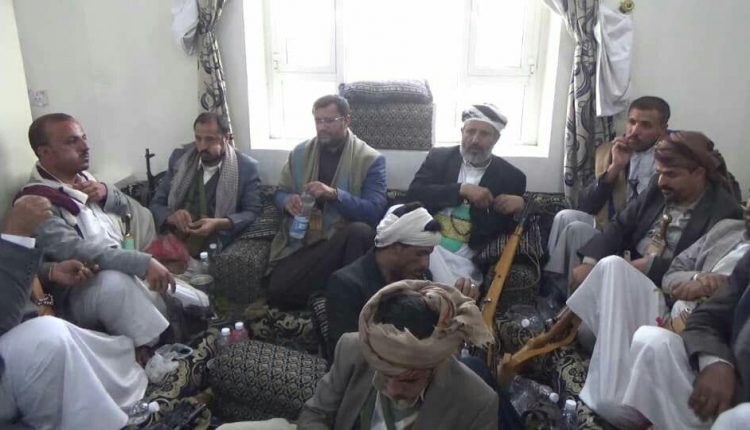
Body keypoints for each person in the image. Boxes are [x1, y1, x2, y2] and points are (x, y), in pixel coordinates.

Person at [564, 199, 750, 429]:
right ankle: (607, 381)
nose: (748, 205)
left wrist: (720, 360)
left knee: (649, 340)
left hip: (724, 365)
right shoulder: (728, 229)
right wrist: (698, 279)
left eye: (671, 177)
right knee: (612, 266)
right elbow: (673, 272)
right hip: (681, 314)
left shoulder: (719, 205)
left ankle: (621, 398)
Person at [17, 113, 171, 359]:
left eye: (84, 138)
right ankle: (158, 350)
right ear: (45, 152)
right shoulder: (37, 202)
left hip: (119, 261)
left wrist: (107, 192)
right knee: (114, 283)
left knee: (188, 297)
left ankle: (174, 335)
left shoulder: (85, 180)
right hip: (74, 292)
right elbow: (75, 250)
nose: (85, 147)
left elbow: (131, 209)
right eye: (72, 141)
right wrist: (141, 262)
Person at [0, 195, 149, 430]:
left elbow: (23, 284)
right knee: (46, 336)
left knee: (113, 286)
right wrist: (16, 236)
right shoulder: (38, 194)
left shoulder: (84, 191)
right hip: (11, 359)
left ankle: (147, 359)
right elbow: (4, 321)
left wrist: (51, 272)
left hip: (32, 324)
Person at [298, 279, 498, 430]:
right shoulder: (353, 350)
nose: (393, 390)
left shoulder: (476, 404)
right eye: (385, 375)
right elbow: (316, 414)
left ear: (434, 363)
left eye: (409, 380)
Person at [570, 131, 742, 292]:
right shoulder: (658, 187)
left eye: (671, 175)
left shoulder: (724, 212)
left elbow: (701, 266)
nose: (661, 182)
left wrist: (649, 266)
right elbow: (620, 224)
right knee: (578, 242)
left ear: (698, 173)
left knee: (608, 269)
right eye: (659, 173)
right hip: (625, 264)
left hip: (662, 288)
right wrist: (590, 261)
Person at [598, 248, 750, 429]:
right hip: (722, 381)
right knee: (652, 340)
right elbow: (707, 316)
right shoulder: (737, 249)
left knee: (740, 418)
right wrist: (717, 362)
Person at [266, 95, 387, 309]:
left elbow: (374, 211)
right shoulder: (300, 153)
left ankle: (343, 300)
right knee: (277, 290)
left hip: (341, 246)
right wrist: (287, 201)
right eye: (318, 121)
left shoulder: (370, 159)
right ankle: (326, 292)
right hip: (303, 244)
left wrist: (335, 195)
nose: (322, 127)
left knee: (359, 231)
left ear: (346, 121)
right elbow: (278, 193)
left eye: (329, 121)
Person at [544, 96, 670, 294]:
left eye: (645, 125)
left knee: (576, 229)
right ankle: (552, 289)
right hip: (610, 225)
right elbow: (586, 206)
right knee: (565, 216)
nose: (634, 131)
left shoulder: (669, 162)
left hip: (636, 235)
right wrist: (615, 167)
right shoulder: (611, 151)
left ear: (663, 129)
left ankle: (567, 299)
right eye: (632, 122)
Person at [325, 203, 484, 359]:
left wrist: (455, 307)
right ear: (396, 247)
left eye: (429, 254)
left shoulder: (422, 277)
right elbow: (348, 355)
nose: (425, 263)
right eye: (420, 254)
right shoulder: (347, 285)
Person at [406, 103, 526, 286]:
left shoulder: (512, 177)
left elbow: (510, 229)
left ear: (496, 138)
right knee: (394, 213)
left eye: (484, 134)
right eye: (470, 132)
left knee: (453, 290)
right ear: (462, 132)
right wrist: (460, 189)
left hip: (466, 257)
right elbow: (414, 195)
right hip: (427, 241)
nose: (475, 140)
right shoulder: (439, 157)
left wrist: (521, 207)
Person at [150, 112, 262, 256]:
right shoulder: (180, 159)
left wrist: (219, 223)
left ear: (226, 138)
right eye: (198, 138)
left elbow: (252, 212)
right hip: (175, 237)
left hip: (214, 242)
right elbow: (156, 204)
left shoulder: (246, 167)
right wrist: (171, 216)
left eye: (209, 139)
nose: (202, 146)